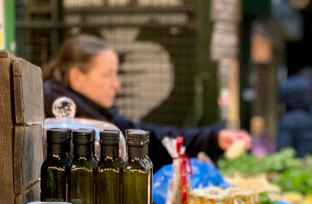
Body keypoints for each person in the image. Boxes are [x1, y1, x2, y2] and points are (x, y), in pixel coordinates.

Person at [43, 35, 250, 171]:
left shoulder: (95, 111)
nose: (117, 85)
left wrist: (212, 138)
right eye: (108, 75)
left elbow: (146, 136)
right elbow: (148, 142)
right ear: (77, 77)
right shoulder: (66, 112)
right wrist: (210, 138)